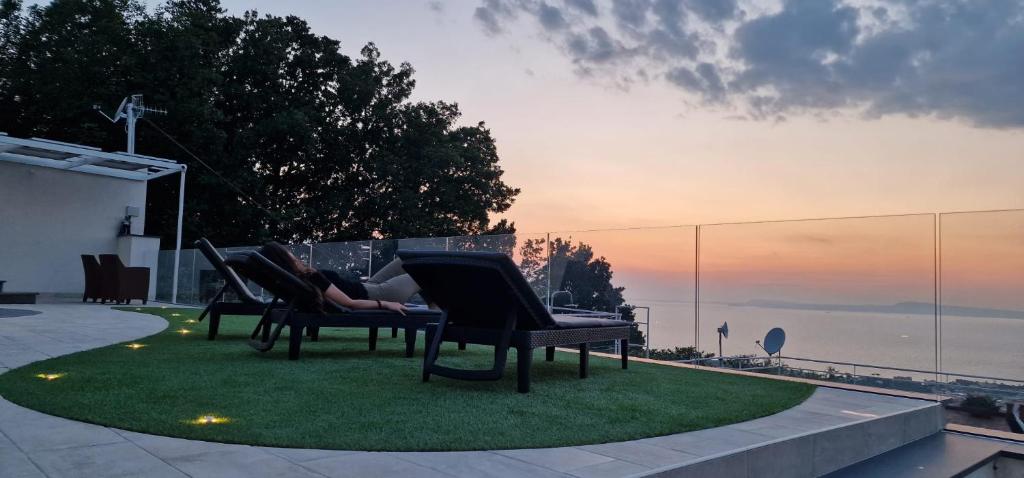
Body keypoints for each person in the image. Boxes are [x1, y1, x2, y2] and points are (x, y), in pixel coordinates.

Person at [258, 241, 416, 314]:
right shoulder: (311, 277)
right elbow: (350, 303)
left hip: (369, 287)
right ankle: (436, 315)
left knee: (405, 260)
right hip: (381, 294)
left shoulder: (294, 281)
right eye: (286, 251)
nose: (290, 252)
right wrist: (386, 304)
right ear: (283, 257)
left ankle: (434, 311)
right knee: (424, 272)